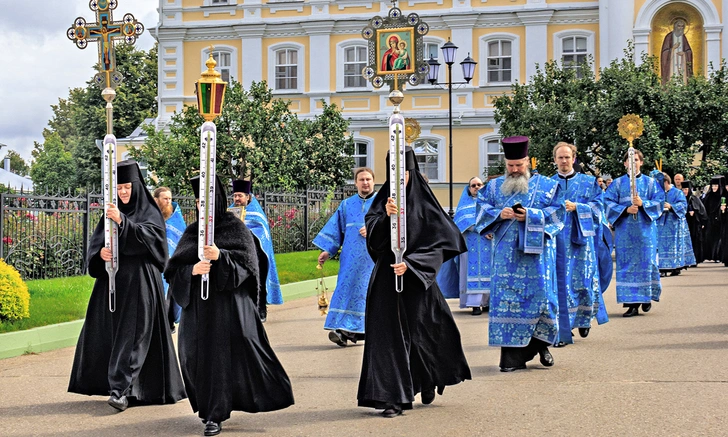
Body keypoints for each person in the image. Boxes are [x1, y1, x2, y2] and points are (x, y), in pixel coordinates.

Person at [165, 176, 294, 436]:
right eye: (200, 202)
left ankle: (214, 415)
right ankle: (210, 407)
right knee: (193, 357)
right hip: (197, 311)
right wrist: (192, 270)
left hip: (228, 308)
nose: (204, 206)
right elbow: (173, 271)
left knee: (222, 359)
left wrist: (220, 256)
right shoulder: (192, 231)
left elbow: (248, 269)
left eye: (209, 201)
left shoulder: (236, 228)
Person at [358, 146, 470, 418]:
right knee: (387, 338)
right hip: (387, 278)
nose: (399, 180)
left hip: (418, 282)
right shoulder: (381, 202)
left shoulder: (425, 202)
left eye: (404, 174)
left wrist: (412, 264)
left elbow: (443, 243)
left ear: (411, 172)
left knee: (423, 336)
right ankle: (392, 398)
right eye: (394, 175)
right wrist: (385, 217)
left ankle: (428, 378)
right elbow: (374, 240)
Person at [68, 160, 186, 411]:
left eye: (127, 187)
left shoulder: (149, 212)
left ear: (136, 186)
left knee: (135, 335)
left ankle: (120, 389)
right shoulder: (110, 212)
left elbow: (155, 245)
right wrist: (100, 255)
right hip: (111, 283)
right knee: (110, 334)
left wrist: (123, 222)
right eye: (119, 188)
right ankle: (126, 387)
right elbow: (96, 245)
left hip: (140, 282)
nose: (123, 192)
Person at [475, 136, 564, 371]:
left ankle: (540, 345)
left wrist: (532, 216)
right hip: (505, 259)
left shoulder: (546, 186)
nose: (515, 170)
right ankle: (512, 359)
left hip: (536, 257)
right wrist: (498, 214)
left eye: (519, 165)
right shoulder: (493, 187)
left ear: (528, 162)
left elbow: (558, 214)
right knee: (508, 302)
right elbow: (481, 208)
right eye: (510, 166)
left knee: (542, 300)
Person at [313, 167, 376, 347]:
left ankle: (361, 331)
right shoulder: (346, 205)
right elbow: (336, 230)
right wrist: (328, 251)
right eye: (362, 179)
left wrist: (374, 229)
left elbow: (393, 226)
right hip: (350, 260)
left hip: (373, 259)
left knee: (367, 294)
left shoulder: (381, 203)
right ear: (356, 183)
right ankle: (342, 330)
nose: (365, 183)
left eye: (368, 179)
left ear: (373, 181)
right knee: (346, 292)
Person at [551, 142, 606, 345]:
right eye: (560, 158)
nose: (564, 161)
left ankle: (584, 319)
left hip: (582, 241)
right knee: (561, 283)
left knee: (582, 280)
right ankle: (565, 325)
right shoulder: (548, 184)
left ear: (574, 159)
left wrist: (578, 207)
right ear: (555, 160)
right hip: (557, 241)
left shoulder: (589, 182)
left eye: (567, 157)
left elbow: (599, 208)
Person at [604, 149, 664, 317]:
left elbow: (659, 203)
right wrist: (625, 209)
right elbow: (606, 202)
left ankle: (646, 298)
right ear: (625, 163)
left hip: (645, 232)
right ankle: (631, 304)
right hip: (625, 233)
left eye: (636, 160)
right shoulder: (617, 184)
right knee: (627, 267)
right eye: (630, 160)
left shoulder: (651, 183)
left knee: (647, 264)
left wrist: (643, 203)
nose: (633, 163)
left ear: (641, 162)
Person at [231, 179, 283, 322]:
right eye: (235, 196)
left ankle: (261, 310)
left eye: (240, 196)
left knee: (258, 282)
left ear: (248, 196)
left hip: (257, 254)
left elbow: (262, 234)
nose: (237, 199)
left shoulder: (256, 213)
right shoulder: (231, 211)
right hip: (238, 254)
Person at [453, 176, 491, 316]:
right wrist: (480, 229)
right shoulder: (464, 205)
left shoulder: (489, 204)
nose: (476, 187)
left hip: (488, 243)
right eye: (473, 185)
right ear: (469, 189)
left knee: (489, 271)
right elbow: (461, 221)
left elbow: (496, 218)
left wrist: (491, 230)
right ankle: (475, 304)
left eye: (479, 185)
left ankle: (487, 303)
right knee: (472, 271)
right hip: (471, 244)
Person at [154, 186, 186, 333]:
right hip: (155, 261)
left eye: (170, 199)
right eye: (165, 198)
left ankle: (169, 323)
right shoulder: (151, 214)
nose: (168, 201)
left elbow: (182, 238)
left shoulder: (176, 217)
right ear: (156, 199)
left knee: (170, 294)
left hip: (173, 262)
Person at [656, 172, 688, 276]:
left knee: (674, 246)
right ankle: (663, 269)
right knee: (661, 246)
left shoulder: (677, 192)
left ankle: (676, 267)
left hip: (673, 224)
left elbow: (683, 205)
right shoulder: (659, 193)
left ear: (666, 182)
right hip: (661, 223)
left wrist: (671, 206)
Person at [661, 18, 693, 85]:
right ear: (675, 27)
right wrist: (672, 49)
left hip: (682, 62)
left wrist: (684, 54)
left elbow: (688, 51)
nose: (680, 28)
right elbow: (664, 52)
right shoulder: (669, 37)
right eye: (679, 26)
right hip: (672, 63)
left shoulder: (683, 37)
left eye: (682, 26)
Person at [681, 180, 707, 264]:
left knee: (694, 241)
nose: (684, 191)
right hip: (684, 224)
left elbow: (702, 211)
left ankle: (695, 259)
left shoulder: (694, 198)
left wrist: (694, 213)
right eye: (683, 190)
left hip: (694, 224)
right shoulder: (680, 198)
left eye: (686, 189)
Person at [702, 176, 725, 262]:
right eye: (713, 186)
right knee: (709, 238)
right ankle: (710, 255)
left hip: (719, 221)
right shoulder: (709, 196)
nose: (714, 188)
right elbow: (704, 208)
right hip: (710, 221)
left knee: (718, 239)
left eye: (716, 186)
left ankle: (717, 256)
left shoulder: (722, 197)